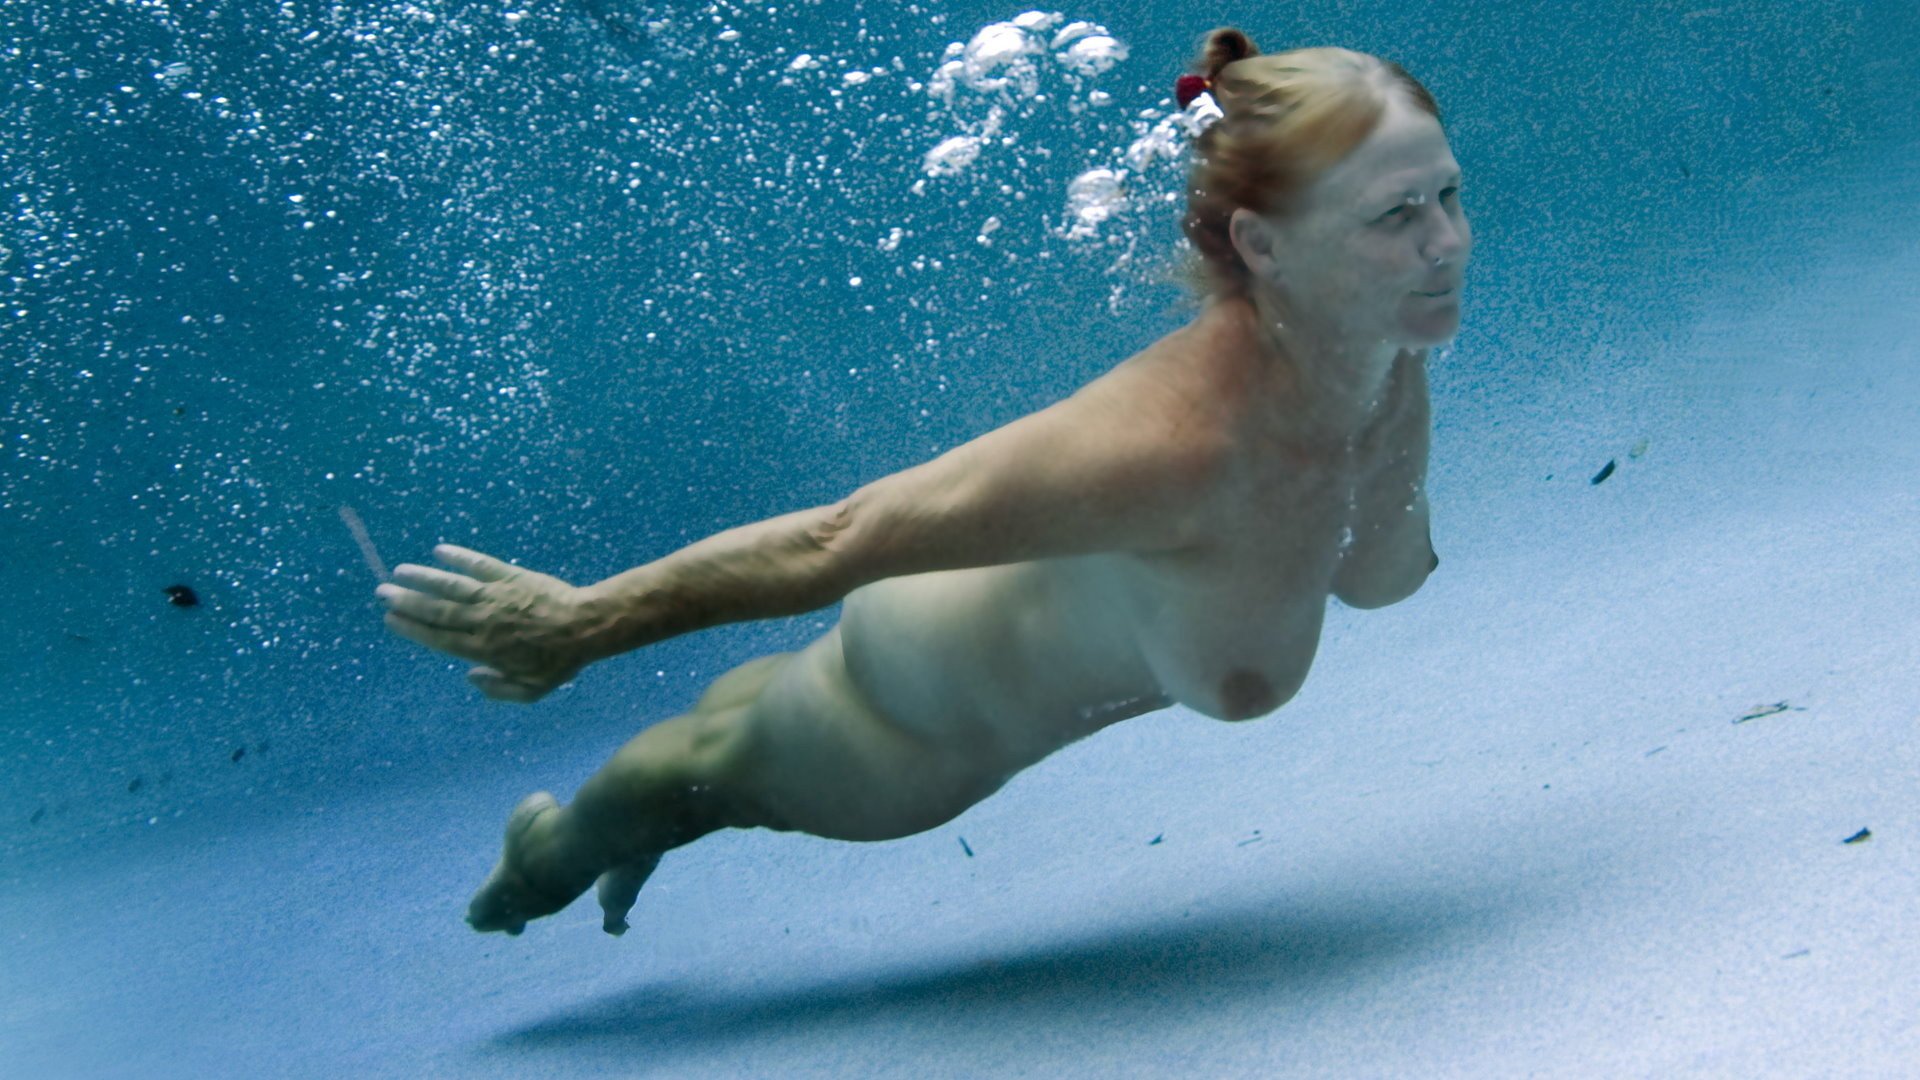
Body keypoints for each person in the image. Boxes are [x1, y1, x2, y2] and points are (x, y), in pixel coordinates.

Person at [378, 28, 1471, 936]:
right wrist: (582, 624)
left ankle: (649, 809)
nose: (1446, 243)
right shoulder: (1172, 443)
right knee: (680, 780)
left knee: (722, 735)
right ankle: (543, 863)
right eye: (1396, 214)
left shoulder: (1375, 355)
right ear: (1265, 248)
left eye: (1447, 195)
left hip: (959, 640)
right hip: (904, 728)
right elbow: (840, 539)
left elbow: (1366, 560)